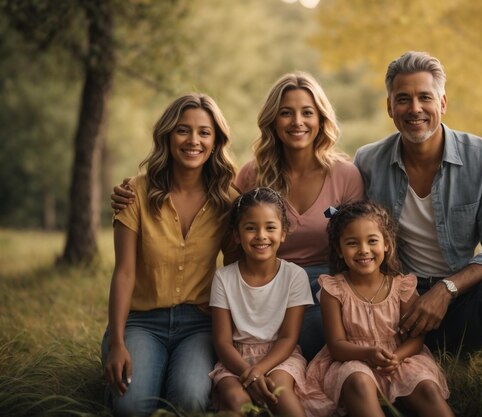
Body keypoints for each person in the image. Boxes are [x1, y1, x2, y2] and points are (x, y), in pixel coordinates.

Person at [110, 71, 364, 361]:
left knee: (318, 333)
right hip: (265, 290)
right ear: (272, 120)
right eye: (286, 113)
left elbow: (358, 247)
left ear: (321, 119)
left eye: (307, 112)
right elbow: (233, 247)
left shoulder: (345, 175)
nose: (297, 122)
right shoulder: (253, 175)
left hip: (326, 292)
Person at [353, 51, 482, 417]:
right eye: (403, 98)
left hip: (458, 300)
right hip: (395, 307)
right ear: (390, 107)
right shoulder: (368, 162)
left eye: (425, 97)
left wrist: (446, 289)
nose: (414, 108)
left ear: (443, 103)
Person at [102, 93, 239, 417]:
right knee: (131, 407)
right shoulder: (135, 193)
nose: (194, 140)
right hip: (142, 322)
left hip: (199, 324)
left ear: (216, 140)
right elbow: (124, 273)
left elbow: (236, 269)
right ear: (167, 135)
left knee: (190, 401)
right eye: (183, 130)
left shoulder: (227, 200)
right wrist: (117, 343)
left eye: (204, 132)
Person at [301, 201, 453, 417]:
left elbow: (416, 338)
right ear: (339, 249)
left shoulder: (402, 286)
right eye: (352, 243)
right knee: (358, 381)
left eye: (372, 241)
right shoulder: (333, 289)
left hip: (399, 358)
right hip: (352, 359)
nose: (363, 250)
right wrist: (368, 353)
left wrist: (396, 357)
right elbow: (336, 346)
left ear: (387, 244)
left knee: (427, 387)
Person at [209, 187, 312, 417]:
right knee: (236, 401)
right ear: (236, 235)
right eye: (250, 228)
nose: (261, 236)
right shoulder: (223, 278)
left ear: (283, 233)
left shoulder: (294, 276)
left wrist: (259, 371)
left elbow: (288, 338)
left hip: (280, 356)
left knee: (280, 393)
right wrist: (248, 372)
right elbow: (223, 342)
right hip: (234, 360)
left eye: (270, 227)